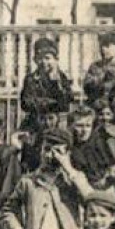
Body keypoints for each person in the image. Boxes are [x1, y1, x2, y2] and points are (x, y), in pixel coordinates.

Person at [18, 37, 75, 169]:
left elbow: (65, 103)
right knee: (31, 157)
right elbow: (25, 103)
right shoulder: (31, 79)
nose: (44, 62)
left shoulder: (61, 78)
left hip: (56, 123)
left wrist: (56, 83)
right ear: (35, 60)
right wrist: (50, 103)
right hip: (35, 124)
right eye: (40, 58)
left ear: (56, 60)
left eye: (48, 58)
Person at [82, 32, 115, 109]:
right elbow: (87, 87)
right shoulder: (95, 66)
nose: (103, 49)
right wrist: (101, 78)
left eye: (107, 46)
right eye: (101, 46)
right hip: (97, 105)